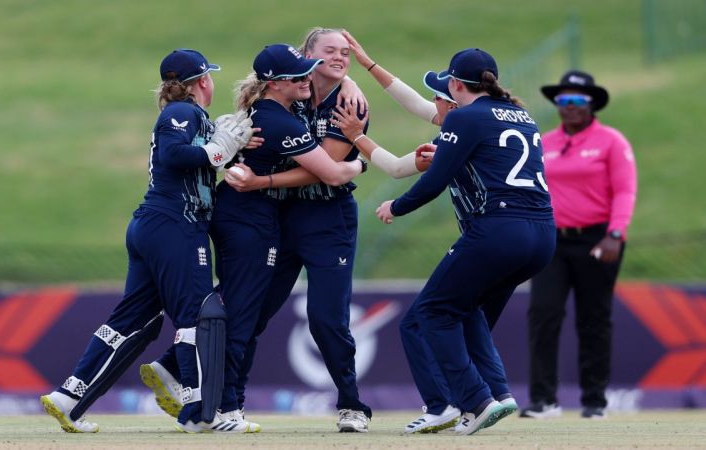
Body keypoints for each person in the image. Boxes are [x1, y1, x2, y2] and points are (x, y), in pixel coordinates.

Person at [39, 49, 255, 433]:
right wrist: (222, 147)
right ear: (203, 81)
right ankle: (198, 413)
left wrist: (225, 149)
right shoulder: (181, 112)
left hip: (156, 225)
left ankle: (70, 397)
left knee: (134, 320)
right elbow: (175, 156)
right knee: (198, 316)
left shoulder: (192, 116)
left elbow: (197, 167)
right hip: (175, 225)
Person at [333, 31, 520, 434]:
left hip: (491, 234)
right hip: (531, 235)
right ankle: (497, 393)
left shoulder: (464, 124)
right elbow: (414, 117)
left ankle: (449, 405)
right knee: (465, 315)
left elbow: (406, 173)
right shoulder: (499, 118)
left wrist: (356, 140)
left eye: (438, 95)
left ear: (455, 96)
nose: (430, 104)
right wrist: (368, 63)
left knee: (422, 319)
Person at [375, 48, 556, 435]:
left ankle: (476, 400)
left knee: (433, 313)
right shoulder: (522, 116)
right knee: (467, 309)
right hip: (542, 235)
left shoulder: (464, 116)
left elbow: (434, 183)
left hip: (499, 230)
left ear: (456, 85)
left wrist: (396, 206)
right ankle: (498, 393)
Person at [226, 28, 374, 433]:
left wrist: (263, 182)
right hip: (285, 218)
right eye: (330, 51)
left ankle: (351, 405)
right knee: (255, 310)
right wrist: (358, 167)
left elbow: (321, 172)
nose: (340, 58)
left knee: (326, 318)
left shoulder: (351, 102)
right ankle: (229, 404)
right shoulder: (294, 91)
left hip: (329, 219)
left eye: (346, 52)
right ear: (308, 56)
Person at [520, 70, 637, 420]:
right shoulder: (545, 142)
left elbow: (625, 190)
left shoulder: (611, 142)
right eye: (562, 100)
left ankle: (594, 400)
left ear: (591, 105)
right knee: (543, 313)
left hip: (598, 239)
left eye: (577, 101)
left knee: (594, 318)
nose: (569, 107)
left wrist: (615, 234)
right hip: (552, 240)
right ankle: (544, 400)